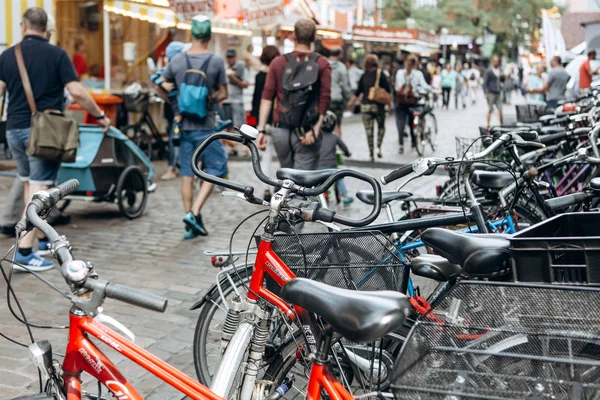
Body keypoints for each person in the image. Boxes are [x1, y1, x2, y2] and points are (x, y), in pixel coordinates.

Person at [0, 7, 110, 270]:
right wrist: (100, 115)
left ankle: (37, 241)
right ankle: (24, 254)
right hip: (44, 131)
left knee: (30, 184)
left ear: (24, 26)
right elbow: (76, 91)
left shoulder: (7, 55)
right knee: (39, 189)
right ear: (46, 29)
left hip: (14, 128)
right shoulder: (57, 54)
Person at [162, 15, 228, 239]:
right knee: (216, 169)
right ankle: (195, 211)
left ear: (191, 34)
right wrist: (209, 98)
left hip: (183, 126)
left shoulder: (178, 60)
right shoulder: (216, 62)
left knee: (187, 175)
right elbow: (224, 94)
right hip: (207, 125)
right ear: (209, 36)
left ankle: (189, 225)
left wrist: (176, 106)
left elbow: (161, 85)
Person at [256, 19, 331, 170]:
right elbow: (325, 97)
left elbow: (267, 97)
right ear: (314, 37)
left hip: (281, 131)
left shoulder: (278, 62)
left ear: (293, 36)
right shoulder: (322, 63)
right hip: (307, 131)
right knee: (302, 181)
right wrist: (317, 127)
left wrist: (261, 129)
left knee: (286, 177)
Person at [151, 41, 189, 181]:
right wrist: (163, 84)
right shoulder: (174, 68)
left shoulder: (177, 67)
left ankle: (178, 166)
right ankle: (173, 167)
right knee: (176, 138)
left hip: (176, 108)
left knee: (178, 138)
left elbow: (157, 84)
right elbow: (156, 81)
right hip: (176, 109)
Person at [347, 54, 393, 161]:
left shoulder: (363, 75)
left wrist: (352, 102)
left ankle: (371, 153)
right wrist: (390, 104)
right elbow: (388, 90)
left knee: (369, 131)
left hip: (366, 106)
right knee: (381, 127)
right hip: (378, 107)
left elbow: (358, 91)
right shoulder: (380, 74)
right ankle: (378, 146)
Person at [251, 45, 280, 201]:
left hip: (263, 123)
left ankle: (267, 189)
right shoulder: (279, 76)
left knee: (266, 158)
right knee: (283, 158)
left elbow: (257, 101)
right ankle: (284, 187)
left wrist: (257, 124)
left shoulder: (259, 76)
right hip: (278, 122)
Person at [394, 54, 431, 154]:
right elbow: (424, 86)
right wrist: (433, 89)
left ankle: (401, 145)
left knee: (400, 124)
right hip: (412, 101)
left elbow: (397, 88)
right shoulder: (418, 74)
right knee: (412, 122)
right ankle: (414, 142)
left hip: (400, 101)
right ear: (415, 64)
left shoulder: (399, 73)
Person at [319, 111, 352, 205]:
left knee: (318, 181)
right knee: (339, 179)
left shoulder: (318, 137)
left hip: (319, 167)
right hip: (332, 166)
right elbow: (344, 148)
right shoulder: (335, 137)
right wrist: (347, 153)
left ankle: (321, 196)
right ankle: (344, 196)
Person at [223, 49, 249, 132]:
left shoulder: (241, 67)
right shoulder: (224, 67)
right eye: (228, 57)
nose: (230, 59)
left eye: (232, 57)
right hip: (226, 101)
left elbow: (245, 85)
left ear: (235, 57)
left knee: (239, 127)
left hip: (237, 101)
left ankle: (239, 144)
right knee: (227, 127)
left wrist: (232, 78)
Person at [328, 47, 352, 135]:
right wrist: (350, 98)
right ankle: (337, 145)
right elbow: (345, 85)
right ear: (339, 55)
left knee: (325, 122)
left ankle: (326, 145)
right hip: (337, 98)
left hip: (325, 98)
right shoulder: (341, 67)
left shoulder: (323, 64)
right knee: (337, 123)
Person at [483, 55, 503, 128]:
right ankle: (488, 124)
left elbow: (502, 80)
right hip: (491, 92)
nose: (496, 63)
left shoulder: (500, 70)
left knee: (500, 109)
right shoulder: (489, 71)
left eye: (497, 61)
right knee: (490, 109)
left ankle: (501, 124)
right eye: (495, 61)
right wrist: (485, 92)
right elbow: (485, 82)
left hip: (498, 92)